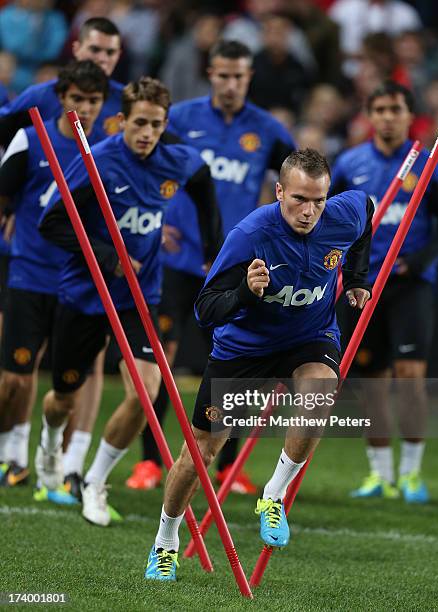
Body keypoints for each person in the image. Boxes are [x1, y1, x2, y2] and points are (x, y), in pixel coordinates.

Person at [145, 147, 374, 581]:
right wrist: (247, 293)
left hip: (310, 336)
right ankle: (165, 542)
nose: (309, 212)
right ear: (279, 191)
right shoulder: (250, 234)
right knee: (198, 456)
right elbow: (206, 310)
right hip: (245, 348)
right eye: (299, 200)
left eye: (318, 201)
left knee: (320, 395)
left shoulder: (343, 214)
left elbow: (367, 208)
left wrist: (358, 279)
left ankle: (273, 495)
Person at [37, 77, 221, 526]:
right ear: (122, 120)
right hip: (84, 294)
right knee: (62, 397)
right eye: (139, 123)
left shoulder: (176, 161)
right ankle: (49, 444)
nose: (147, 133)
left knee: (147, 391)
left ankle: (93, 483)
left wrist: (214, 253)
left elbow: (204, 187)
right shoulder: (98, 162)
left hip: (139, 297)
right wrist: (108, 257)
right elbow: (53, 224)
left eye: (156, 125)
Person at [126, 39, 297, 494]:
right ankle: (149, 462)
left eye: (239, 76)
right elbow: (142, 163)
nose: (230, 84)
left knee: (240, 362)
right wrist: (152, 220)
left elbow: (298, 181)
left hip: (235, 267)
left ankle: (227, 467)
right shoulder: (179, 118)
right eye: (222, 75)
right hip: (177, 263)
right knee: (159, 361)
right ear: (210, 73)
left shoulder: (268, 129)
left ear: (250, 77)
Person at [330, 81, 438, 502]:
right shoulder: (351, 164)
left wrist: (418, 262)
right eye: (380, 109)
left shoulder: (428, 164)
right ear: (369, 116)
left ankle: (411, 473)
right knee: (370, 383)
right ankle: (379, 474)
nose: (388, 117)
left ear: (409, 116)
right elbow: (332, 223)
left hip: (410, 286)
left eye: (396, 109)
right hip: (364, 288)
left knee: (410, 379)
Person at [0, 60, 108, 488]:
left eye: (93, 100)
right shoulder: (29, 140)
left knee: (69, 379)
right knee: (15, 377)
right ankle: (11, 448)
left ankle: (57, 463)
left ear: (102, 104)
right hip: (29, 274)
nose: (83, 106)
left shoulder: (107, 152)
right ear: (62, 98)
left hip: (77, 282)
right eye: (77, 98)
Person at [0, 17, 123, 148]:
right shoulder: (40, 94)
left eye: (110, 52)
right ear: (76, 49)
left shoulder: (126, 100)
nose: (103, 58)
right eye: (95, 50)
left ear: (119, 55)